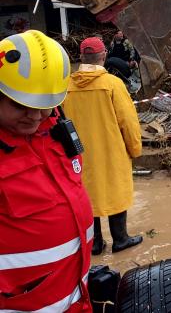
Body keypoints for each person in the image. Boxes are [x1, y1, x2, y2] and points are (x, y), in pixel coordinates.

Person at [0, 30, 94, 311]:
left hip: (74, 297)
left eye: (45, 105)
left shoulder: (53, 131)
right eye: (21, 105)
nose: (35, 115)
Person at [64, 36, 143, 255]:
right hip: (110, 150)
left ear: (81, 57)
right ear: (104, 56)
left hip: (78, 154)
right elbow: (128, 121)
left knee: (89, 194)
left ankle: (95, 243)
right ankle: (121, 239)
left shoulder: (66, 86)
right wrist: (135, 148)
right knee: (115, 190)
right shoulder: (112, 84)